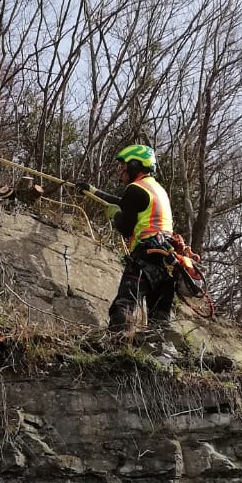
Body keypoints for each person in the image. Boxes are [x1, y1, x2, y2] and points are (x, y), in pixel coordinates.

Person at [83, 143, 178, 343]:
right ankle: (159, 356)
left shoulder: (135, 189)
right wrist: (94, 192)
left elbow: (125, 226)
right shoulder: (156, 189)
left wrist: (115, 216)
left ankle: (118, 350)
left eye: (124, 166)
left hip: (146, 257)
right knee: (159, 318)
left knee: (124, 306)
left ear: (135, 165)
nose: (121, 171)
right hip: (167, 262)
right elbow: (129, 205)